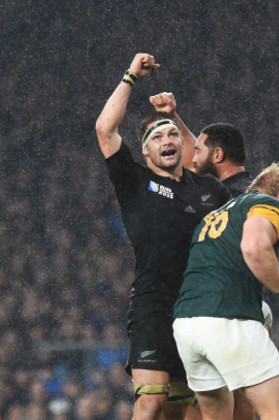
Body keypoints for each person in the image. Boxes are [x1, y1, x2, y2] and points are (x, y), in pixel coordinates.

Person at [95, 53, 231, 420]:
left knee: (179, 408)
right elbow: (105, 129)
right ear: (145, 150)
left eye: (173, 134)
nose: (167, 140)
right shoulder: (135, 181)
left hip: (199, 308)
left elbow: (245, 224)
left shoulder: (208, 190)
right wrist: (130, 77)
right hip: (154, 304)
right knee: (151, 400)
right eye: (158, 136)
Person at [173, 163, 279, 420]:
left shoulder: (218, 215)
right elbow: (254, 247)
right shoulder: (270, 204)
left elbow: (255, 231)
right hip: (228, 320)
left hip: (187, 325)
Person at [150, 92, 279, 247]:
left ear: (217, 155)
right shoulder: (219, 185)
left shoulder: (241, 191)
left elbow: (264, 222)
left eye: (198, 152)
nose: (193, 159)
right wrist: (170, 115)